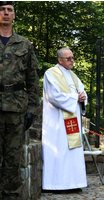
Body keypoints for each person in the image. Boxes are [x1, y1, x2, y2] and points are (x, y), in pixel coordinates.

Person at [0, 1, 40, 199]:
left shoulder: (24, 44)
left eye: (9, 10)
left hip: (16, 109)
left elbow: (33, 79)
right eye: (1, 10)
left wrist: (32, 109)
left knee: (13, 160)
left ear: (14, 15)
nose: (5, 13)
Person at [42, 47, 88, 194]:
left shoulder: (73, 76)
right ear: (59, 60)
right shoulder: (51, 74)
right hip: (57, 124)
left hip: (72, 121)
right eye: (68, 58)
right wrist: (76, 97)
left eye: (72, 58)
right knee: (59, 150)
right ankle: (56, 185)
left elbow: (82, 90)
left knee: (73, 151)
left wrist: (82, 97)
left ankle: (74, 182)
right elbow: (53, 96)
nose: (72, 61)